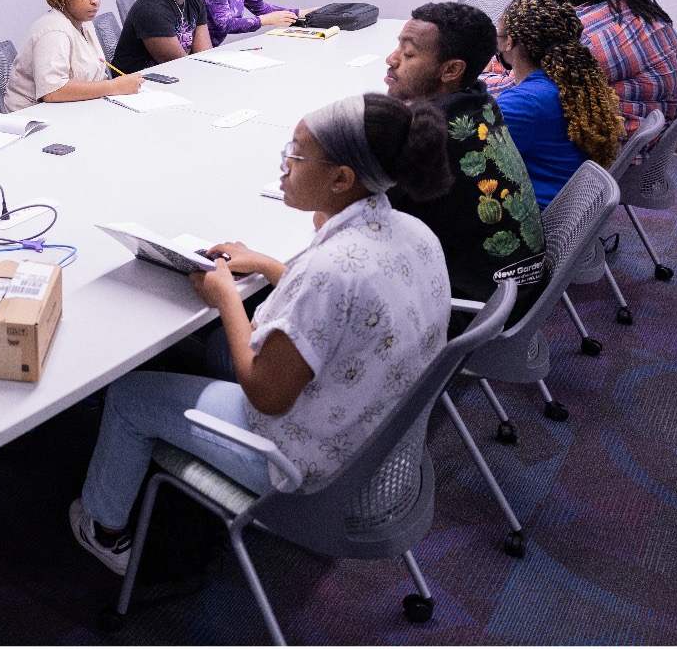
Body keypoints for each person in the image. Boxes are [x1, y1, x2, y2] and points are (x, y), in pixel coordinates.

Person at [70, 93, 453, 574]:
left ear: (341, 179)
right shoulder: (414, 231)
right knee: (217, 349)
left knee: (128, 394)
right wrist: (274, 267)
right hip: (373, 441)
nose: (285, 167)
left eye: (296, 155)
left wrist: (227, 297)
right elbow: (344, 313)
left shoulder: (328, 272)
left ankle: (103, 527)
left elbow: (267, 394)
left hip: (311, 470)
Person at [384, 2, 545, 331]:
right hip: (515, 290)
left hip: (472, 312)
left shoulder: (424, 135)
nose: (392, 59)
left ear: (451, 70)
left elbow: (357, 216)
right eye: (398, 45)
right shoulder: (480, 100)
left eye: (409, 53)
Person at [551, 0, 677, 144]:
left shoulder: (593, 35)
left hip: (613, 154)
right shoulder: (647, 16)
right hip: (647, 144)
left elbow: (526, 84)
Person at [495, 0, 622, 208]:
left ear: (508, 42)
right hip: (566, 209)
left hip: (534, 222)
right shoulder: (572, 84)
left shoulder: (524, 103)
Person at [4, 0, 145, 111]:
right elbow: (53, 91)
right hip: (37, 119)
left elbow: (94, 75)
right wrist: (113, 87)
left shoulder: (85, 23)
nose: (95, 1)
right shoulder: (54, 31)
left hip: (74, 110)